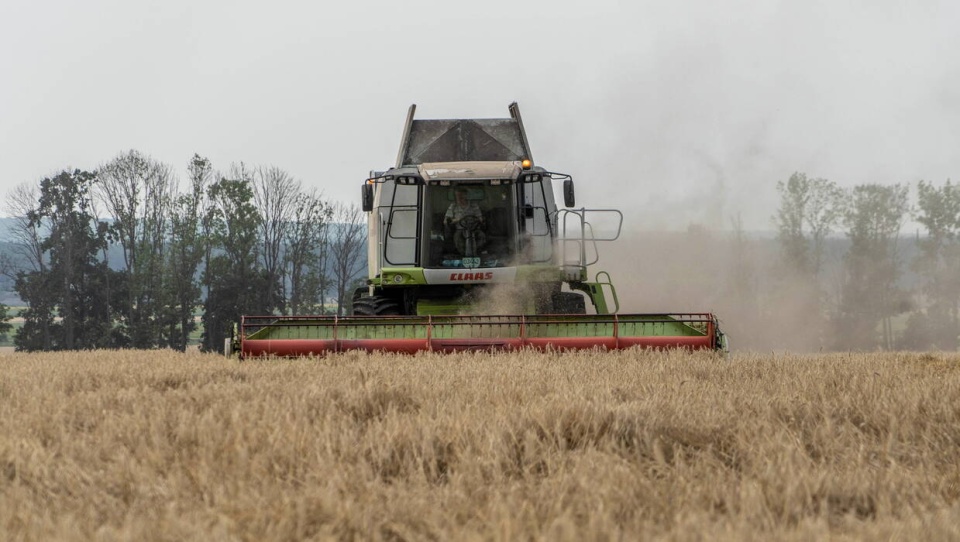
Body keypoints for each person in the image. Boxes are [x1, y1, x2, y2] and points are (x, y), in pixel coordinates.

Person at [444, 188, 485, 255]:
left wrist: (474, 220)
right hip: (460, 229)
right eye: (457, 196)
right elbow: (446, 221)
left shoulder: (474, 205)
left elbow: (480, 219)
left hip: (474, 229)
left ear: (466, 196)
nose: (459, 198)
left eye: (461, 196)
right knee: (458, 239)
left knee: (481, 236)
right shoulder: (453, 206)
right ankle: (462, 255)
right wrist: (458, 219)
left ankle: (478, 253)